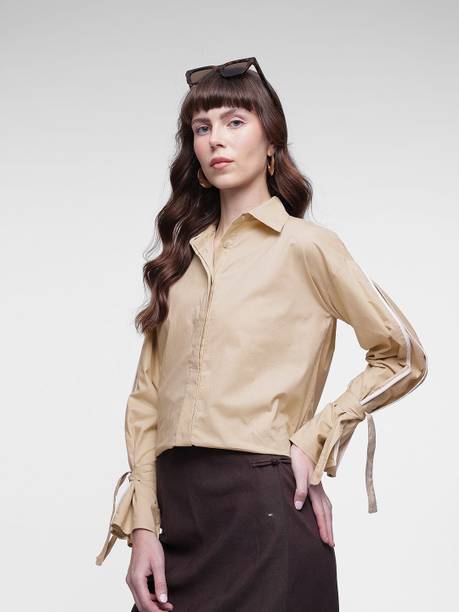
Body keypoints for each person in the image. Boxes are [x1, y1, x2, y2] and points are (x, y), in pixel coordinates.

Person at [95, 57, 428, 612]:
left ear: (271, 142)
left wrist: (316, 437)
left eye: (235, 122)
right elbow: (146, 403)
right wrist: (143, 529)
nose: (215, 139)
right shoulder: (179, 264)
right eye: (202, 127)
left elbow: (402, 355)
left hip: (265, 508)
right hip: (177, 516)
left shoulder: (308, 246)